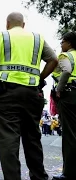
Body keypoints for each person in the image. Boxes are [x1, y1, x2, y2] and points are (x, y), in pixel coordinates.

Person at [0, 12, 58, 180]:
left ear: (7, 24)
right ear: (23, 24)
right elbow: (53, 60)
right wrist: (39, 79)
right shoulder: (37, 38)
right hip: (32, 94)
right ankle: (39, 177)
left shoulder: (2, 36)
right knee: (32, 138)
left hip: (6, 95)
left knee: (8, 140)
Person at [52, 32, 76, 180]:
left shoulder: (66, 56)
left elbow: (66, 70)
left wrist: (59, 89)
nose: (61, 45)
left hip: (70, 95)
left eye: (62, 42)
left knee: (70, 136)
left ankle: (69, 173)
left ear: (69, 43)